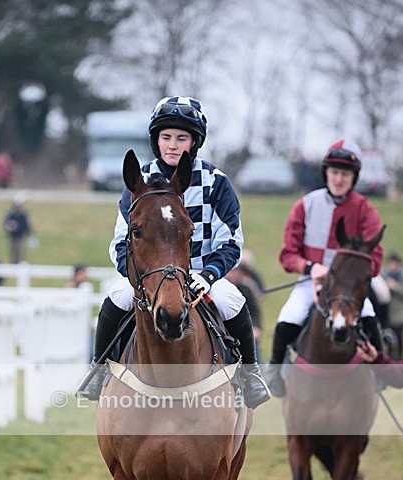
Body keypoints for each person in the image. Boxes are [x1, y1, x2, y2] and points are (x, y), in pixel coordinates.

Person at [79, 96, 270, 409]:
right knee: (115, 300)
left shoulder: (216, 182)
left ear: (194, 142)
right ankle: (98, 370)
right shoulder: (137, 182)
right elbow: (119, 243)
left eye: (181, 138)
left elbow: (232, 240)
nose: (172, 144)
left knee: (233, 301)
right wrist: (140, 280)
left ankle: (250, 376)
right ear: (156, 140)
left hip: (202, 276)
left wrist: (208, 275)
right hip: (149, 278)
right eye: (166, 137)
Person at [264, 139, 384, 397]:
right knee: (287, 319)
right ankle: (273, 372)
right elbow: (287, 254)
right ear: (326, 173)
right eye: (335, 172)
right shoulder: (305, 205)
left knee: (371, 319)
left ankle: (380, 373)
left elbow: (375, 261)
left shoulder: (365, 210)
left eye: (345, 173)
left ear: (354, 177)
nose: (339, 179)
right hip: (312, 282)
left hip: (349, 289)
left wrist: (349, 275)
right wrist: (310, 267)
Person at [226, 249, 264, 361]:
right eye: (231, 271)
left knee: (253, 342)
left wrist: (256, 328)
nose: (232, 274)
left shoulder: (246, 288)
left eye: (236, 271)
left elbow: (255, 311)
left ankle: (256, 370)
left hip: (246, 327)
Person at [383, 252, 403, 358]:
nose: (392, 266)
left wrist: (395, 287)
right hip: (388, 316)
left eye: (395, 263)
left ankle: (400, 361)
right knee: (388, 341)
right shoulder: (384, 276)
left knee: (399, 341)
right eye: (391, 263)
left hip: (399, 317)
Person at [3, 192, 32, 263]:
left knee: (20, 251)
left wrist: (28, 233)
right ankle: (13, 264)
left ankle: (19, 263)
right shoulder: (11, 213)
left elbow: (26, 225)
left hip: (20, 237)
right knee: (13, 252)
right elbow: (5, 223)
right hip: (13, 236)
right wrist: (9, 227)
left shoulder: (23, 214)